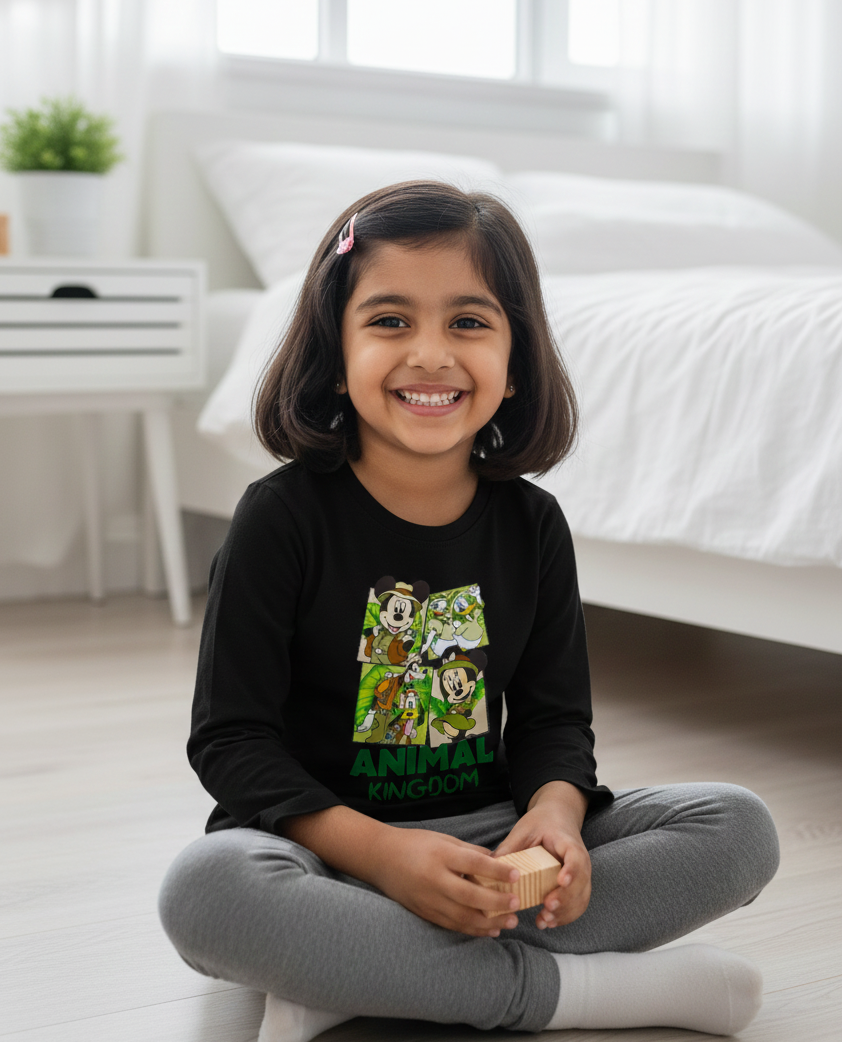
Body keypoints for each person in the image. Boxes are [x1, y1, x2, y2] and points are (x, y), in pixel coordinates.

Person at [159, 182, 780, 1042]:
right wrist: (382, 855)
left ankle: (360, 975)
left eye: (468, 322)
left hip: (491, 846)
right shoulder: (282, 516)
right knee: (205, 891)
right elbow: (231, 739)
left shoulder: (532, 525)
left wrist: (557, 813)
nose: (430, 354)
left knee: (738, 825)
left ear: (516, 358)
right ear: (335, 354)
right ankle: (575, 994)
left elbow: (555, 719)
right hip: (325, 854)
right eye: (388, 321)